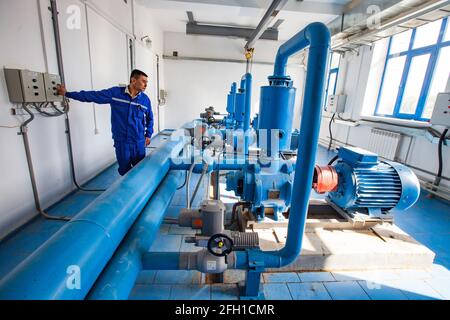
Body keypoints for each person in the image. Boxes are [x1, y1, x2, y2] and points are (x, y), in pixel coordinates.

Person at [57, 69, 154, 176]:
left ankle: (140, 191)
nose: (146, 84)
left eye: (147, 82)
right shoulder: (116, 93)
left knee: (140, 170)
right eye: (143, 81)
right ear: (133, 80)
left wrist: (148, 135)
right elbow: (93, 95)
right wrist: (67, 94)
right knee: (124, 170)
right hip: (122, 142)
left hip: (138, 142)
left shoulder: (145, 100)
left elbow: (150, 118)